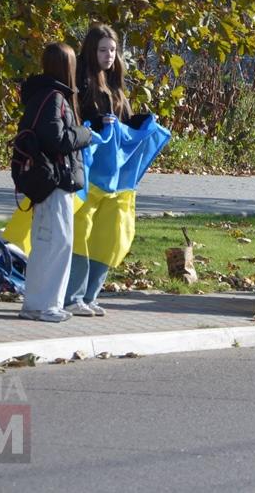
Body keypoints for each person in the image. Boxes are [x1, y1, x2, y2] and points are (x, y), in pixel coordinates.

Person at [64, 23, 150, 317]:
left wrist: (139, 123)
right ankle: (72, 296)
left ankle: (90, 295)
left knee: (108, 236)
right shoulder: (82, 83)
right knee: (81, 232)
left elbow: (122, 124)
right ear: (91, 51)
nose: (109, 55)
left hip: (113, 179)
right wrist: (97, 124)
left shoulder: (115, 85)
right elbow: (78, 122)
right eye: (103, 50)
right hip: (89, 175)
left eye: (113, 50)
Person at [18, 43, 93, 322]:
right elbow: (57, 138)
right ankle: (40, 305)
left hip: (54, 181)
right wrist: (85, 134)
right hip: (53, 181)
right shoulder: (53, 98)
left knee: (57, 242)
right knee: (52, 243)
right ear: (67, 67)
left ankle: (50, 302)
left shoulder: (47, 95)